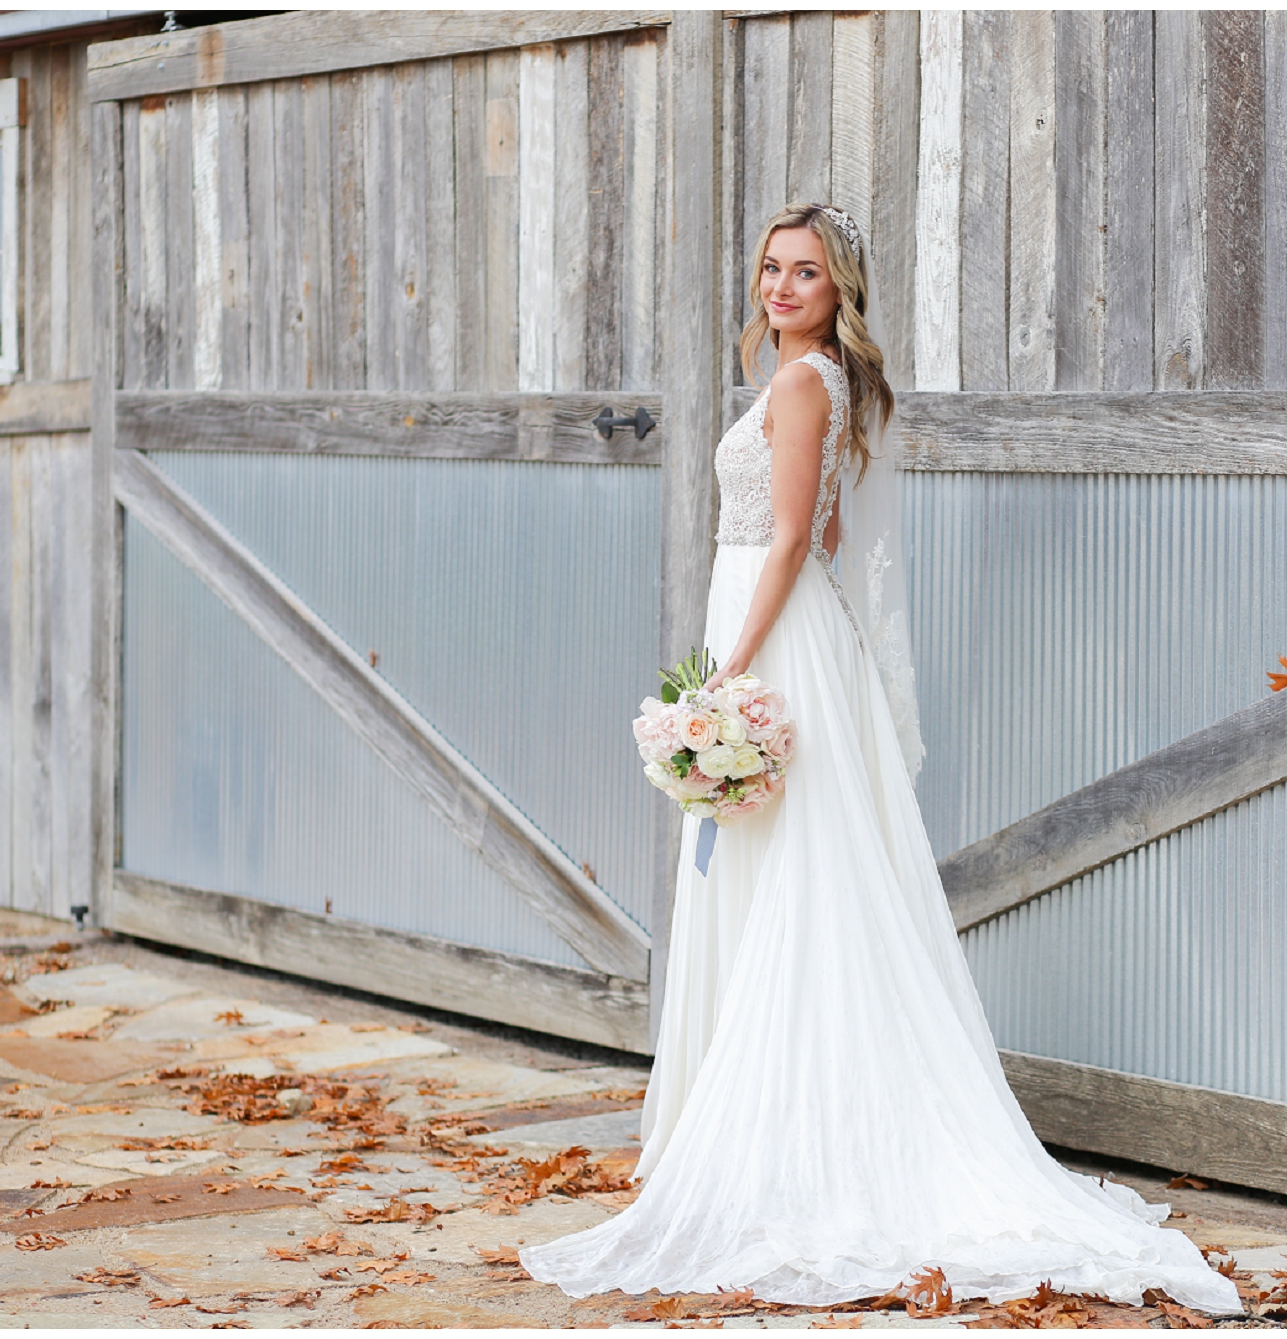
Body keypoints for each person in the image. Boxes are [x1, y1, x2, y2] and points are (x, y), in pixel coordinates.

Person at [519, 204, 1243, 1316]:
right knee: (775, 874)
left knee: (800, 881)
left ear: (837, 288)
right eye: (769, 267)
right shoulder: (810, 384)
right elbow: (837, 541)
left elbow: (794, 536)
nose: (780, 285)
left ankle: (783, 1147)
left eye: (804, 272)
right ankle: (745, 1124)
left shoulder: (806, 386)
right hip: (778, 625)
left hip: (770, 634)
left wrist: (730, 671)